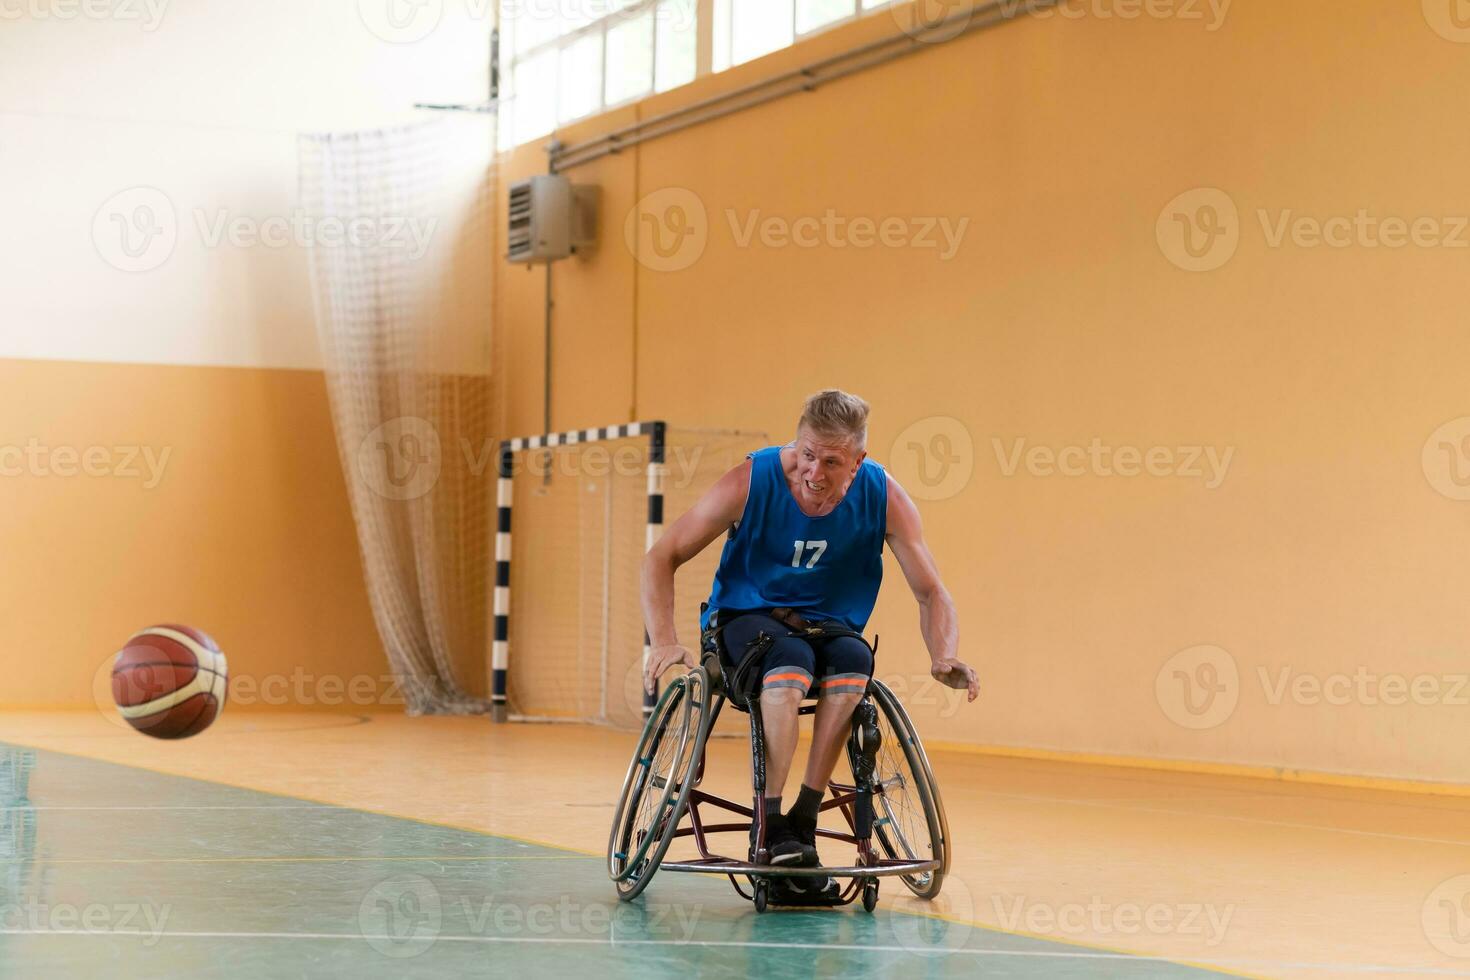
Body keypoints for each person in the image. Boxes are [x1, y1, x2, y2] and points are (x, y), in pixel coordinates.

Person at [640, 389, 977, 887]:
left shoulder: (885, 497)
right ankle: (771, 820)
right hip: (744, 621)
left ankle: (803, 816)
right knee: (789, 659)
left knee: (853, 660)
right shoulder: (751, 481)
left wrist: (943, 653)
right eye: (806, 454)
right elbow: (660, 555)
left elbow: (931, 592)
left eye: (832, 462)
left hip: (829, 627)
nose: (814, 472)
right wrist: (664, 638)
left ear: (858, 462)